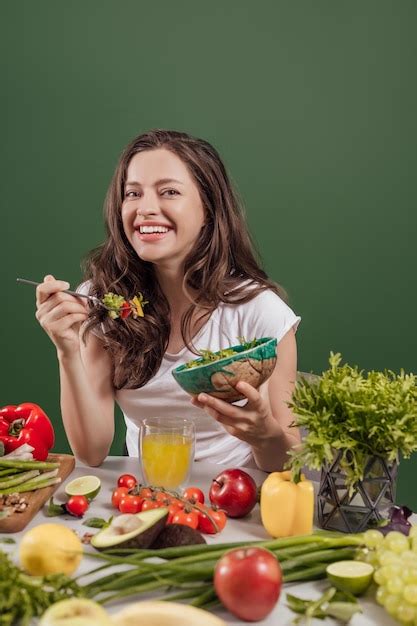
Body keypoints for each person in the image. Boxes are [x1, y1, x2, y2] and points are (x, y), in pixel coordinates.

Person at [35, 129, 301, 471]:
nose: (145, 209)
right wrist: (67, 349)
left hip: (238, 498)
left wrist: (264, 435)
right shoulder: (99, 302)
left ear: (209, 208)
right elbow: (91, 452)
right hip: (145, 493)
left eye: (169, 192)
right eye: (132, 194)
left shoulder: (260, 313)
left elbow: (289, 462)